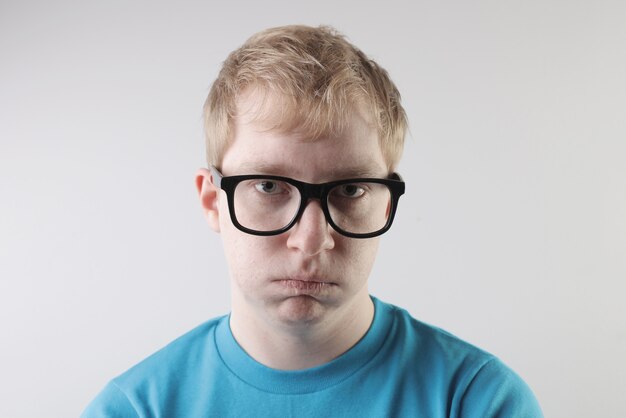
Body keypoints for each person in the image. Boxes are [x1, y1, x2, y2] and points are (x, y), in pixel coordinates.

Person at [81, 25, 543, 417]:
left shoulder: (477, 402)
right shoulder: (136, 410)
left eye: (350, 190)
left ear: (384, 204)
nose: (311, 239)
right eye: (268, 186)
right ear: (212, 201)